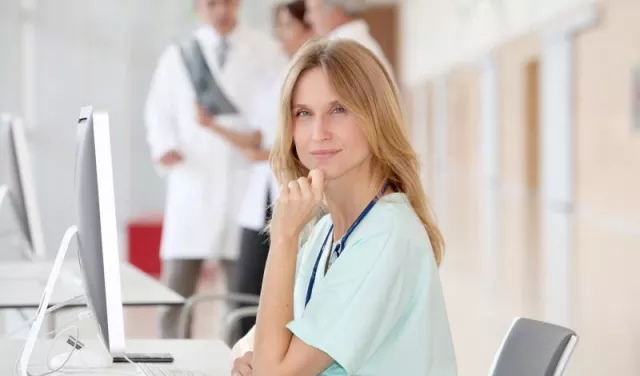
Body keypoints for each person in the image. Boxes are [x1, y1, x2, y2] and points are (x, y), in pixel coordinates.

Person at [231, 39, 457, 375]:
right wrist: (250, 360)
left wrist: (283, 238)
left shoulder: (386, 236)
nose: (319, 133)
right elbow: (255, 346)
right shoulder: (324, 231)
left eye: (339, 110)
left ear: (375, 117)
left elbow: (273, 373)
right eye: (303, 114)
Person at [144, 0, 285, 339]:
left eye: (228, 2)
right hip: (193, 178)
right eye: (212, 3)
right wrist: (164, 146)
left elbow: (277, 109)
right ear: (198, 8)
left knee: (242, 291)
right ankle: (173, 361)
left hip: (244, 183)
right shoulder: (180, 55)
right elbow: (157, 110)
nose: (222, 10)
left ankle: (237, 361)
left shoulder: (266, 51)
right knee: (177, 289)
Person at [205, 0, 314, 345]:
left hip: (293, 189)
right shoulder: (277, 74)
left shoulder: (313, 76)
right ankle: (245, 355)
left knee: (284, 286)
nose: (280, 34)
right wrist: (213, 126)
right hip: (262, 194)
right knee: (247, 285)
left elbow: (296, 142)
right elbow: (257, 133)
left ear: (307, 29)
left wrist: (267, 153)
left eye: (288, 26)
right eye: (278, 26)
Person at [304, 0, 393, 74]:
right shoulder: (360, 42)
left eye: (313, 10)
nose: (307, 18)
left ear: (336, 13)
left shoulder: (341, 49)